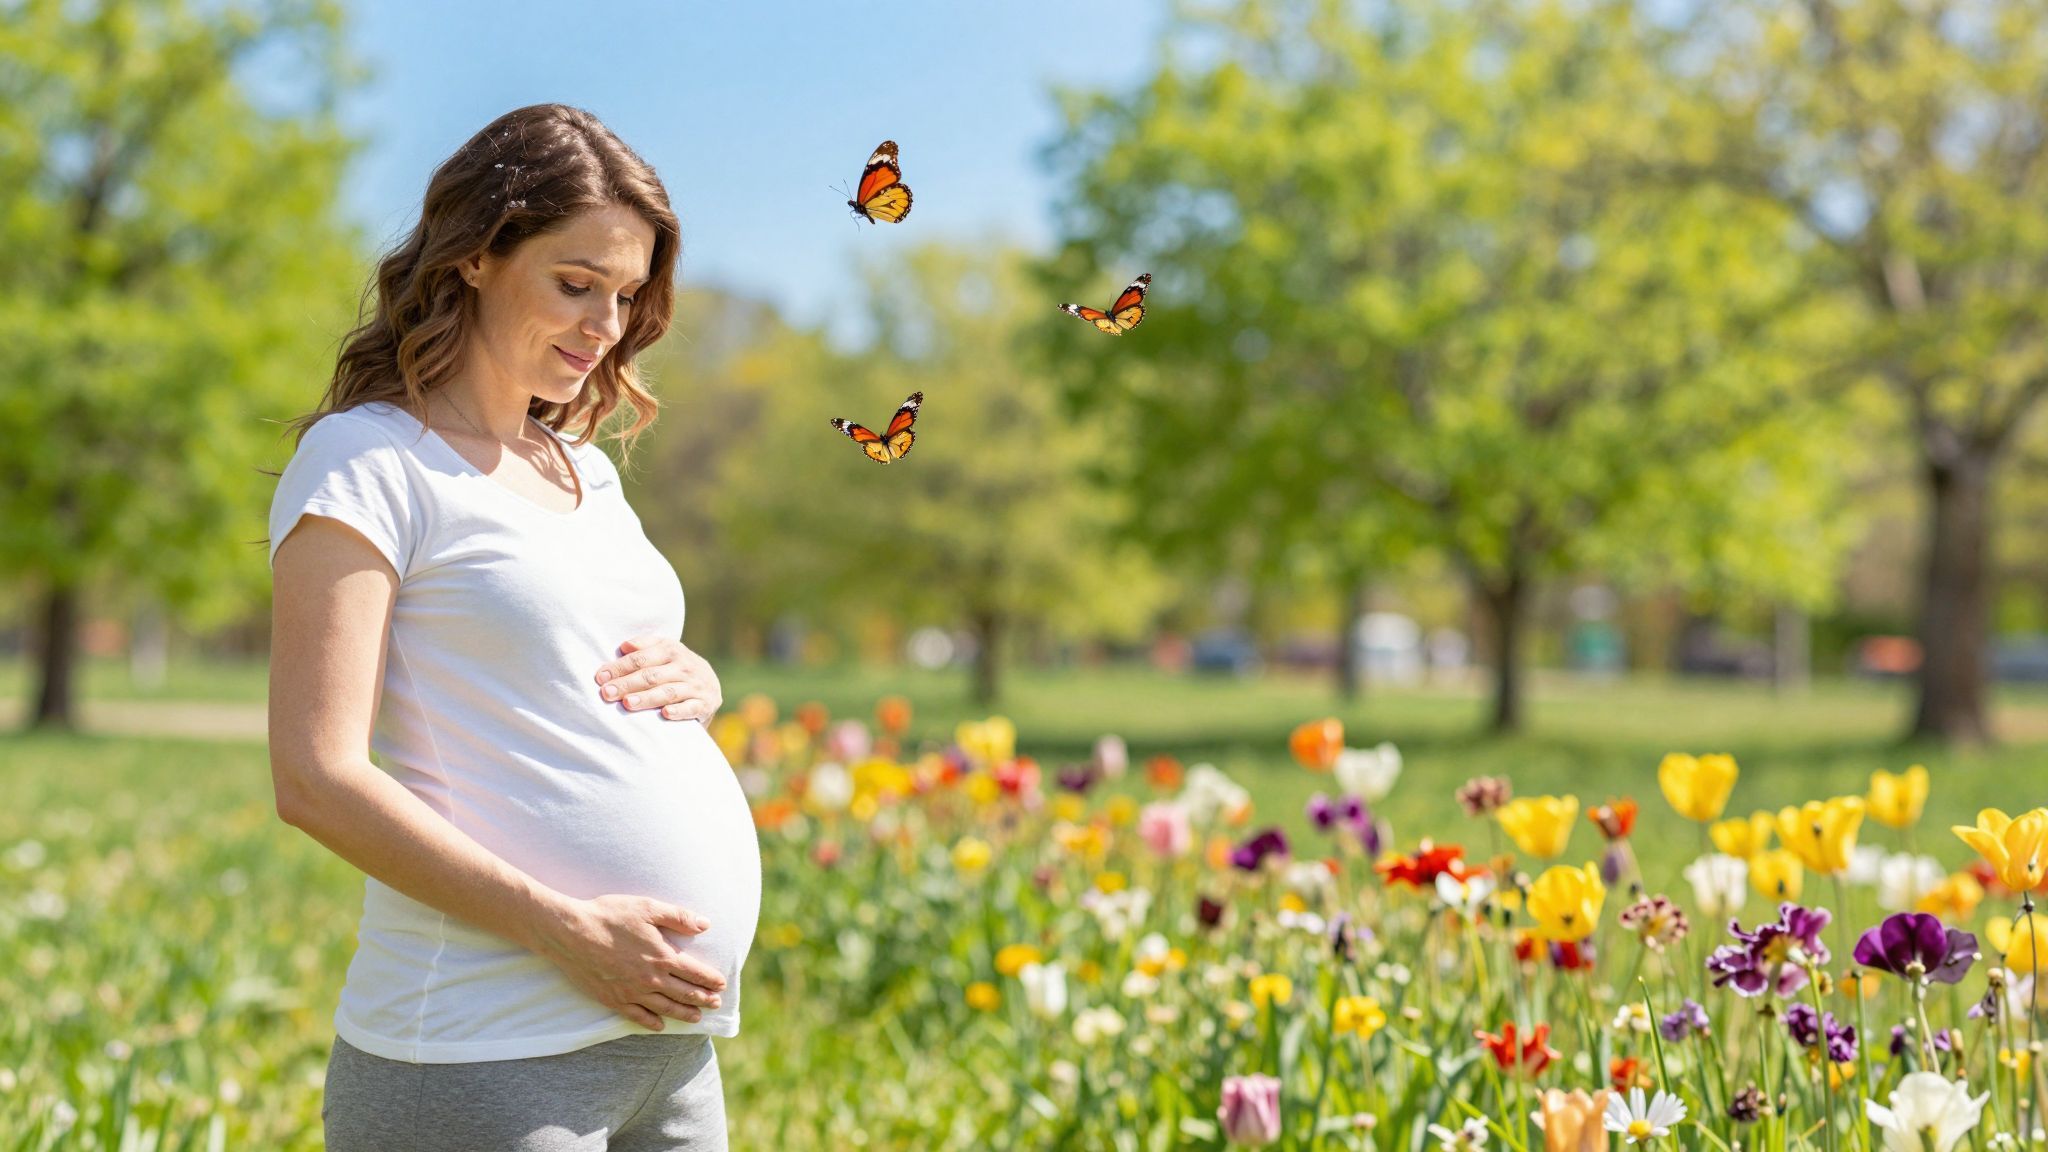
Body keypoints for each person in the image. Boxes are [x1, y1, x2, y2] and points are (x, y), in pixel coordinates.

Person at [266, 103, 759, 1150]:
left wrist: (696, 683)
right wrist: (566, 931)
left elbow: (566, 656)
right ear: (477, 258)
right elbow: (316, 778)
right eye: (574, 285)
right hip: (483, 1053)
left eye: (626, 295)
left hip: (664, 1052)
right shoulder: (368, 463)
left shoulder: (580, 468)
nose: (605, 325)